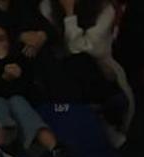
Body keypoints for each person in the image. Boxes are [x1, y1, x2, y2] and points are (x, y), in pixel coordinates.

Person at [0, 21, 62, 157]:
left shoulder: (18, 59)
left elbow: (30, 94)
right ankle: (3, 149)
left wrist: (10, 70)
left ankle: (54, 148)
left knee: (17, 101)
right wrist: (2, 71)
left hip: (17, 108)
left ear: (8, 42)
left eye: (0, 39)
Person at [38, 0, 135, 139]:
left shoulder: (105, 9)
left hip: (99, 70)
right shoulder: (46, 7)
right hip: (61, 73)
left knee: (80, 62)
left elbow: (81, 50)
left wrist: (69, 13)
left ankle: (102, 126)